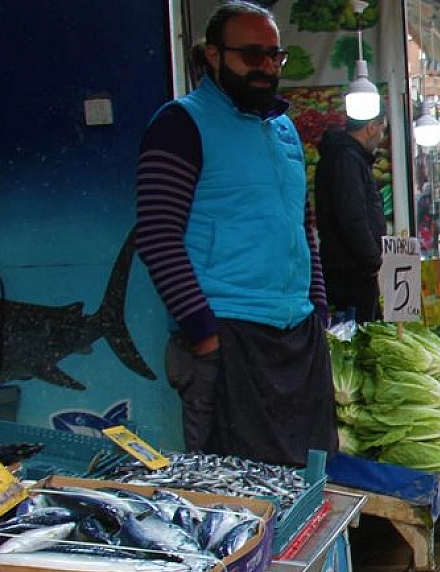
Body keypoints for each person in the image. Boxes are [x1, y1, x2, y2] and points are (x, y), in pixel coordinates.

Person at [137, 0, 337, 467]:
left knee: (312, 478)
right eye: (252, 56)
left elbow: (303, 225)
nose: (267, 67)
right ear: (212, 56)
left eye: (275, 56)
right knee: (241, 487)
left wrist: (319, 307)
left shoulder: (285, 129)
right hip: (228, 334)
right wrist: (204, 333)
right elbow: (157, 235)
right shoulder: (179, 124)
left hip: (298, 333)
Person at [315, 112, 386, 325]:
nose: (382, 136)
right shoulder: (347, 159)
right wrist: (373, 261)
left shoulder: (346, 157)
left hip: (349, 268)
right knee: (357, 336)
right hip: (351, 272)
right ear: (371, 127)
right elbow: (352, 216)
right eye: (382, 128)